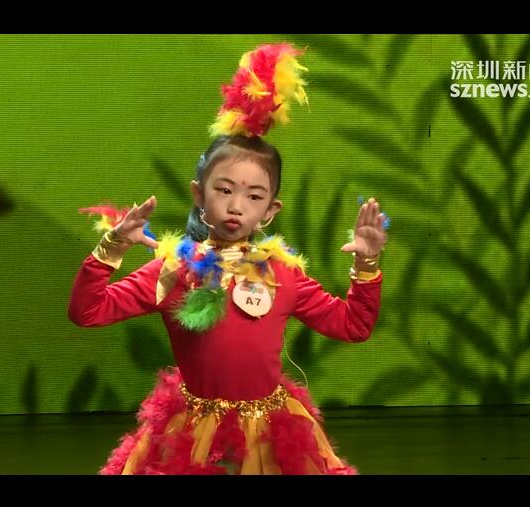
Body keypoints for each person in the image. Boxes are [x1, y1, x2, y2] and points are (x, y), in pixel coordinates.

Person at [68, 43, 388, 475]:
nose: (237, 206)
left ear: (270, 210)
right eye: (224, 190)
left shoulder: (283, 275)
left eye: (254, 196)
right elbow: (87, 312)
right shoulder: (174, 271)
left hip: (270, 431)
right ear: (199, 195)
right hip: (192, 431)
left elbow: (352, 326)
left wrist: (367, 266)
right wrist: (112, 249)